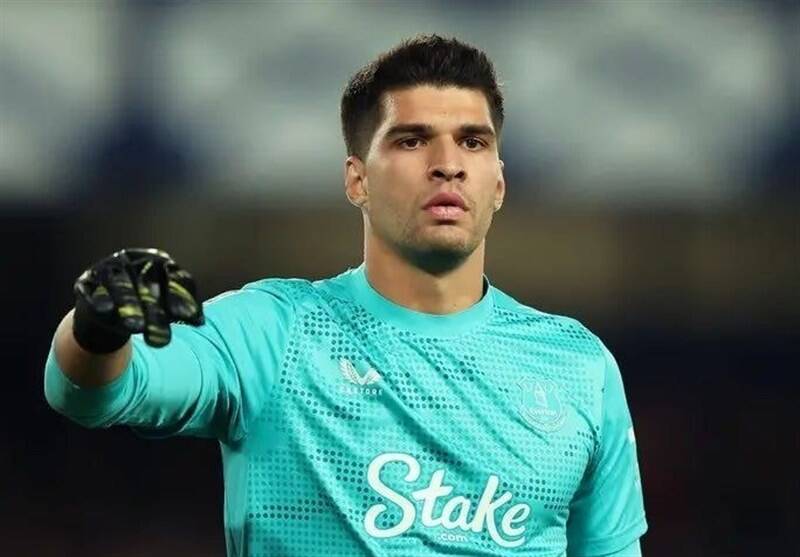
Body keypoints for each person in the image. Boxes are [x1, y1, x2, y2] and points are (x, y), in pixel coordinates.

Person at [44, 34, 647, 556]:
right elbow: (96, 392)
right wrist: (97, 326)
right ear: (357, 179)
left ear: (499, 183)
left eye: (473, 142)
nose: (448, 164)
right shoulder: (275, 333)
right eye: (411, 141)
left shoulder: (578, 367)